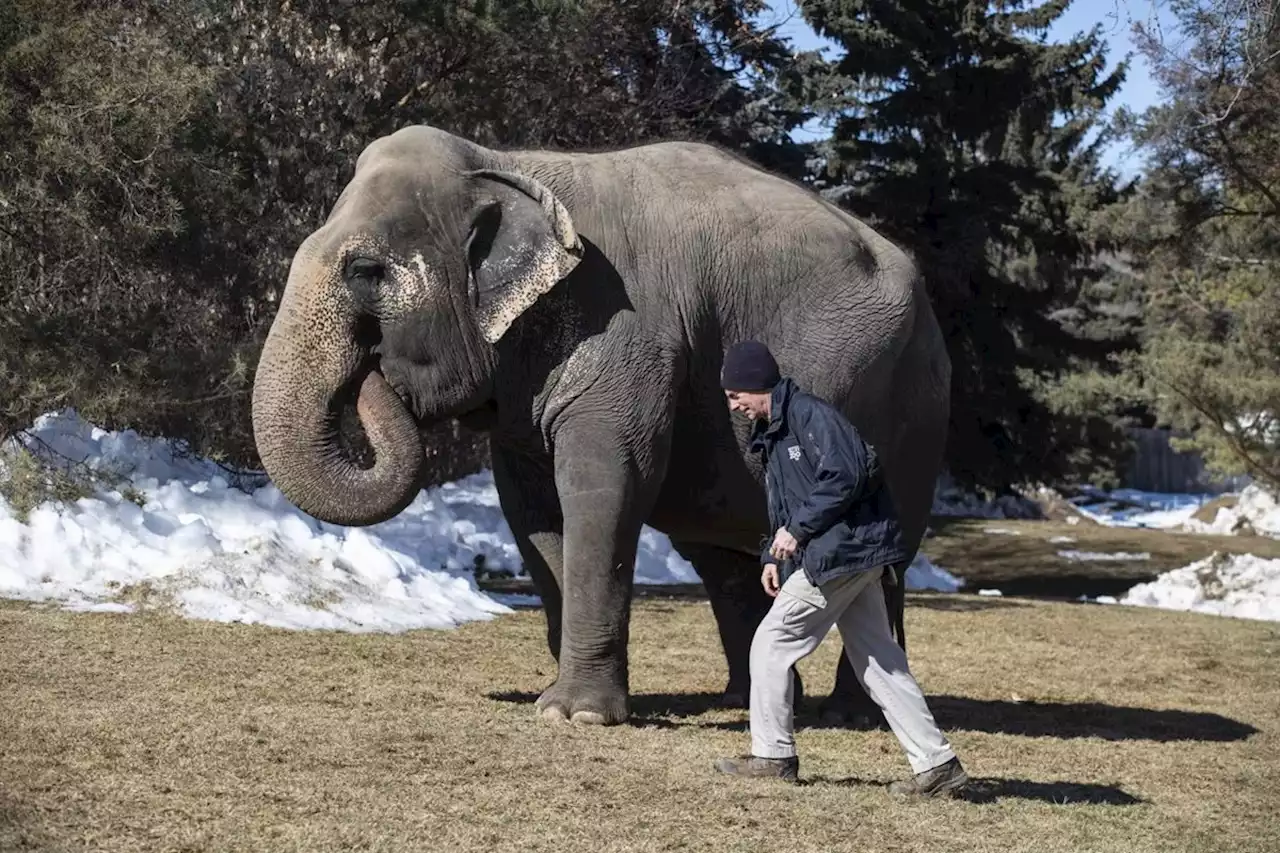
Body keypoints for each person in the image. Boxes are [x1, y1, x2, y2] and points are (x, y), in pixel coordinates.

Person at [712, 340, 968, 798]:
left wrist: (797, 531)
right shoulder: (777, 432)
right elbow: (787, 507)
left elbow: (846, 476)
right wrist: (775, 552)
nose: (734, 406)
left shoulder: (810, 416)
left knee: (771, 644)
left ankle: (772, 755)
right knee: (879, 663)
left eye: (736, 396)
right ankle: (938, 766)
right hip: (850, 554)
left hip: (842, 555)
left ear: (756, 383)